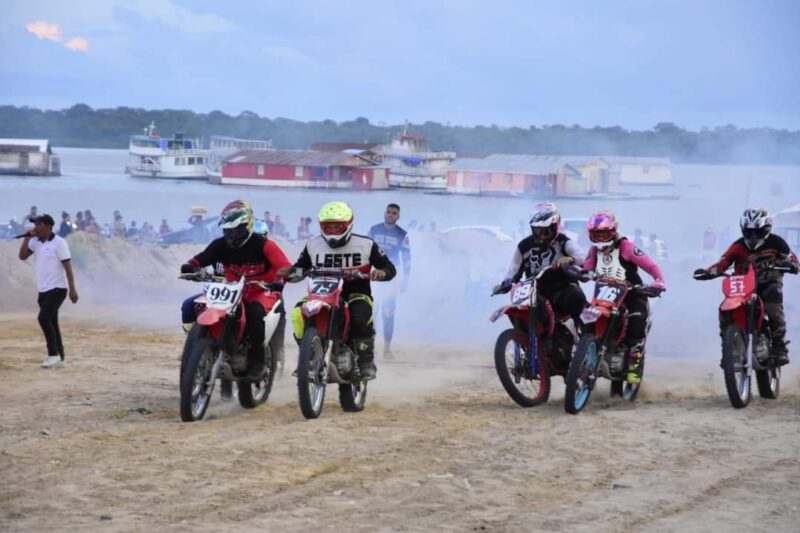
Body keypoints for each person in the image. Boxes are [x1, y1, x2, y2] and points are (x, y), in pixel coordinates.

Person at [281, 201, 396, 380]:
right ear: (321, 226)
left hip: (355, 294)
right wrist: (288, 274)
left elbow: (389, 268)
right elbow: (299, 269)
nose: (333, 232)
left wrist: (382, 272)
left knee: (360, 316)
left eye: (337, 226)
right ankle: (308, 357)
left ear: (348, 224)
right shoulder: (313, 245)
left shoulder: (366, 244)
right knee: (298, 314)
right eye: (328, 227)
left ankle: (366, 362)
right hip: (320, 294)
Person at [180, 201, 291, 380]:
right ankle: (195, 347)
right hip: (230, 291)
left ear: (247, 227)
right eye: (227, 231)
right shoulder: (220, 245)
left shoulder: (264, 245)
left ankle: (257, 364)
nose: (231, 235)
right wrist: (190, 266)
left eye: (236, 230)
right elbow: (201, 258)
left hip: (259, 291)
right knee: (193, 306)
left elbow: (285, 266)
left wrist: (280, 279)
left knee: (255, 315)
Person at [694, 208, 799, 366]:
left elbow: (793, 259)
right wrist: (707, 272)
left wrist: (792, 265)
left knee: (773, 308)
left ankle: (779, 348)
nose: (753, 236)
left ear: (767, 229)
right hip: (742, 287)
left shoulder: (777, 242)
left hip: (769, 283)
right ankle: (729, 350)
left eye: (758, 231)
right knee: (725, 309)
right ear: (743, 229)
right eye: (749, 232)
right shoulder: (737, 246)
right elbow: (722, 264)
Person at [583, 211, 666, 384]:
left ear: (613, 231)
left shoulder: (627, 247)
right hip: (604, 296)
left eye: (603, 234)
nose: (599, 239)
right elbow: (585, 271)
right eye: (595, 235)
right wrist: (576, 271)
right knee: (584, 318)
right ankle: (582, 356)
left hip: (633, 293)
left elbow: (651, 265)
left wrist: (658, 281)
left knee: (637, 321)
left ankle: (634, 364)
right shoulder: (593, 251)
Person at [493, 202, 587, 342]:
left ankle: (581, 337)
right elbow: (513, 269)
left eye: (545, 230)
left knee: (576, 295)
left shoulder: (564, 242)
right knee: (523, 305)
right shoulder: (524, 246)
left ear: (555, 226)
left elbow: (582, 257)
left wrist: (570, 259)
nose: (541, 235)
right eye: (537, 230)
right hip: (534, 290)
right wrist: (505, 284)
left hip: (561, 289)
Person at [18, 214, 79, 368]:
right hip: (43, 290)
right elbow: (22, 256)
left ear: (48, 226)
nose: (35, 228)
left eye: (39, 224)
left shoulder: (59, 243)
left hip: (58, 288)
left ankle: (53, 354)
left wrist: (72, 289)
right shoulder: (35, 242)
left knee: (43, 318)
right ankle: (61, 357)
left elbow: (68, 267)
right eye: (35, 225)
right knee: (52, 322)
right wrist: (26, 238)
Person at [368, 203, 411, 359]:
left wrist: (406, 279)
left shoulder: (402, 234)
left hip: (392, 277)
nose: (390, 215)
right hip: (374, 275)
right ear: (384, 213)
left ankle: (386, 349)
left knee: (388, 312)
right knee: (372, 311)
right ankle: (370, 345)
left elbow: (407, 258)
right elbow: (365, 251)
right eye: (388, 212)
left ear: (398, 216)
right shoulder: (374, 230)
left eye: (394, 213)